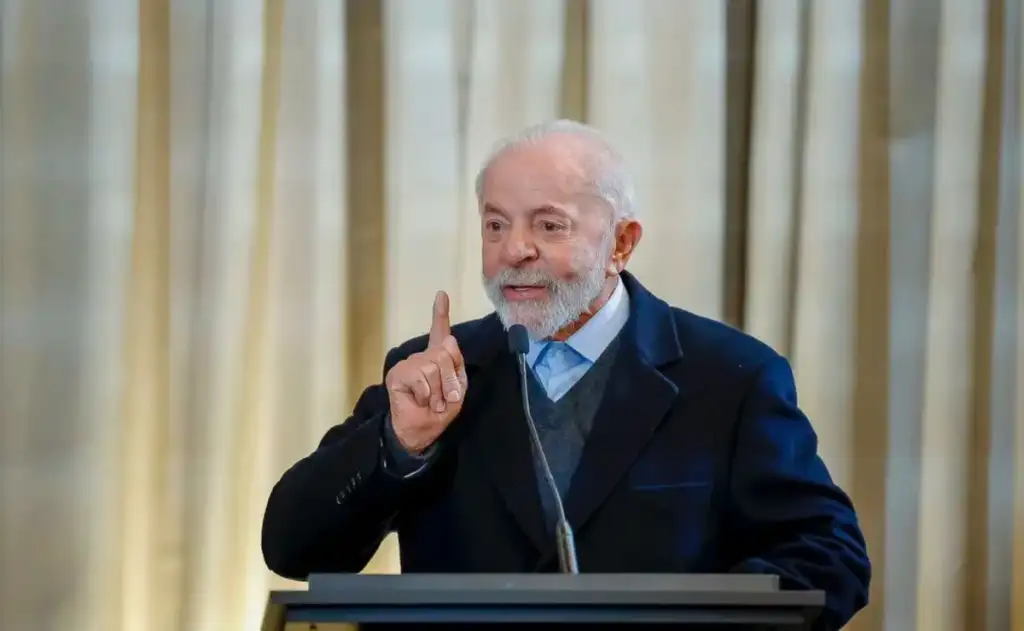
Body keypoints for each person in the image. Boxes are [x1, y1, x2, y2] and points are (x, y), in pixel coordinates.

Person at [261, 120, 870, 630]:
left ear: (621, 244)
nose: (514, 250)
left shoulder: (730, 377)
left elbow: (828, 555)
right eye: (496, 224)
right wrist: (398, 445)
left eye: (548, 225)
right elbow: (293, 548)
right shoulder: (434, 369)